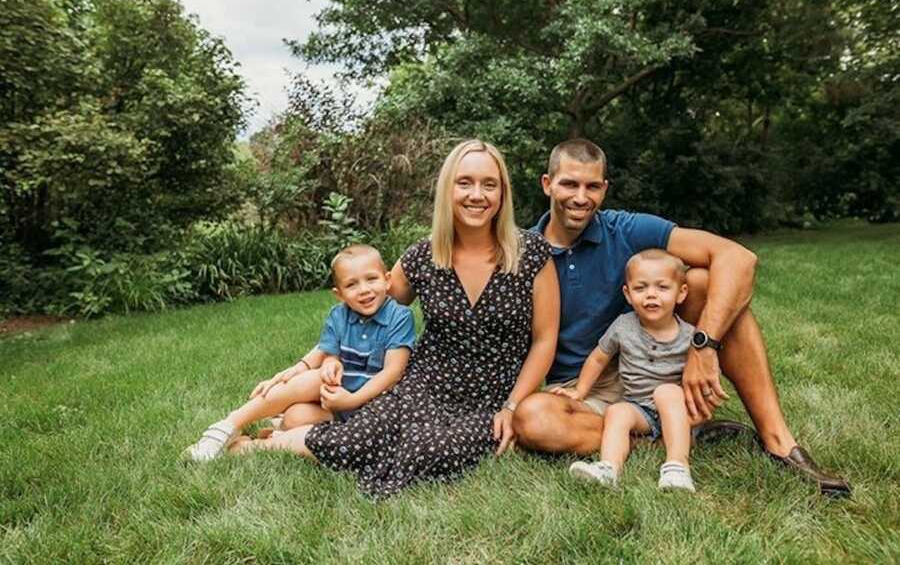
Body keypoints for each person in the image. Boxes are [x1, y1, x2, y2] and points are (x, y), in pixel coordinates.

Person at [512, 138, 851, 496]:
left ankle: (779, 441)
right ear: (547, 184)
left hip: (649, 367)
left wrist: (703, 348)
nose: (581, 197)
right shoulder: (524, 251)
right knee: (534, 420)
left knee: (704, 283)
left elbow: (739, 259)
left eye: (592, 186)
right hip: (580, 390)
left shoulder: (624, 229)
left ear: (605, 189)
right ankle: (669, 438)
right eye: (570, 184)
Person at [226, 139, 560, 498]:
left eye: (488, 184)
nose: (476, 194)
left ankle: (286, 433)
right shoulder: (424, 254)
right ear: (448, 188)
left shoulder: (531, 252)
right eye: (464, 182)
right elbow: (365, 308)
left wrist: (512, 405)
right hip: (423, 385)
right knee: (358, 439)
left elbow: (544, 339)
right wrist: (304, 364)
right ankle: (256, 445)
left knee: (432, 452)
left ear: (502, 193)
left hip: (489, 398)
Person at [183, 244, 415, 462]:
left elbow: (393, 372)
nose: (364, 290)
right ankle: (229, 427)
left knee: (309, 396)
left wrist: (351, 400)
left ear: (387, 281)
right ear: (339, 294)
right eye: (351, 285)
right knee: (296, 413)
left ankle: (251, 437)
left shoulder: (399, 317)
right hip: (337, 403)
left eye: (371, 279)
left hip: (374, 405)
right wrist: (328, 363)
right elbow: (328, 352)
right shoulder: (339, 315)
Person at [565, 249, 700, 491]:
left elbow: (701, 374)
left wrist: (699, 408)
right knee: (617, 411)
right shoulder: (623, 326)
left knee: (667, 391)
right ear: (627, 294)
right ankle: (609, 468)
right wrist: (580, 391)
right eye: (640, 288)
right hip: (640, 410)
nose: (651, 295)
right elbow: (598, 358)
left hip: (675, 410)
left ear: (681, 293)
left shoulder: (689, 335)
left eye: (662, 287)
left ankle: (677, 467)